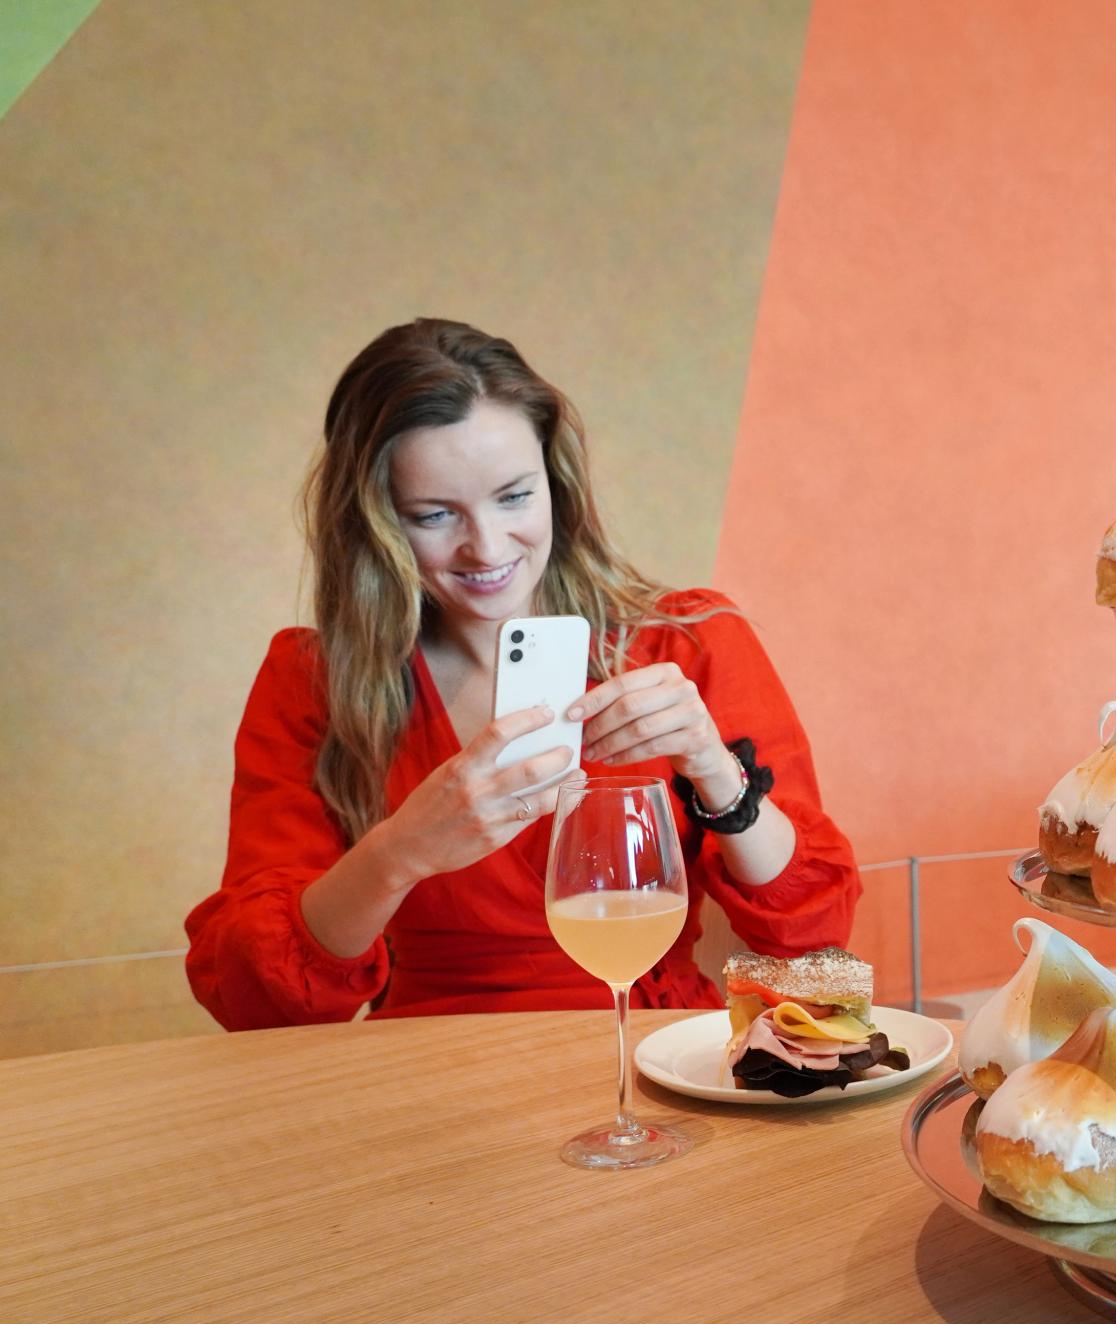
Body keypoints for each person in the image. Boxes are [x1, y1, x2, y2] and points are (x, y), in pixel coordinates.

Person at [185, 319, 860, 1027]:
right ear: (374, 519)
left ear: (555, 481)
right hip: (423, 1068)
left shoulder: (688, 642)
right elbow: (257, 1000)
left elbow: (812, 936)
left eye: (513, 496)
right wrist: (399, 851)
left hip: (650, 1052)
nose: (487, 546)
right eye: (435, 514)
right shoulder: (313, 681)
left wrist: (717, 773)